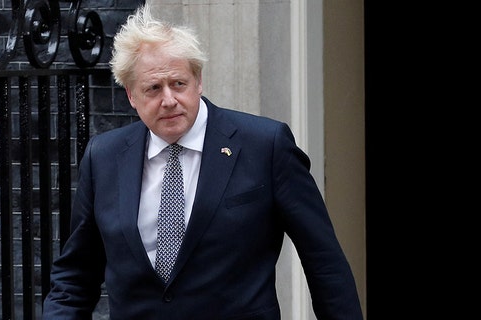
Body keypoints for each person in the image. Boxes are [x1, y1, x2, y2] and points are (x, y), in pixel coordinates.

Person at [43, 4, 363, 320]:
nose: (169, 100)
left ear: (198, 81)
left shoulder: (266, 146)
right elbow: (75, 276)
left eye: (178, 84)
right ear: (131, 95)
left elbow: (324, 262)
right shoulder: (104, 157)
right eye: (153, 88)